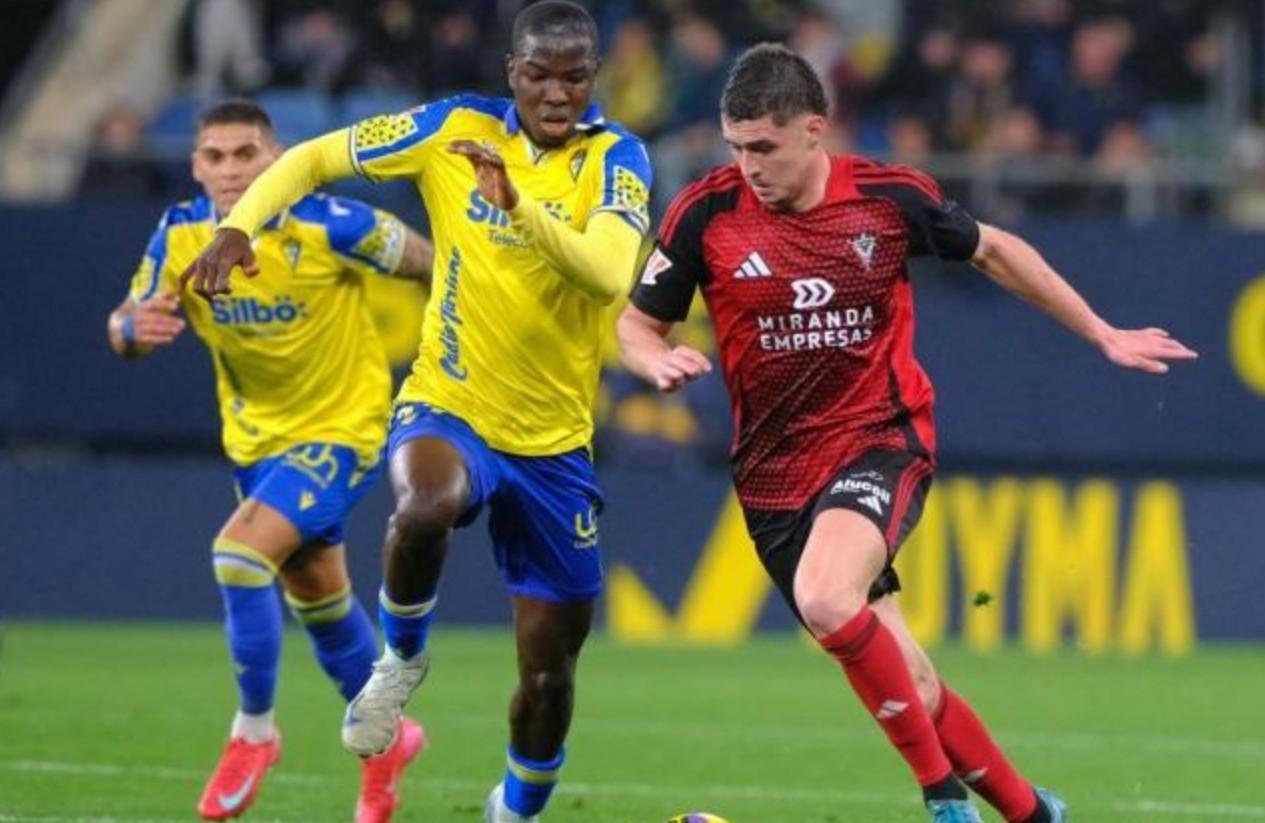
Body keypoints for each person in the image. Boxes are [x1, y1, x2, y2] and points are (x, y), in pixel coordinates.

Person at [618, 44, 1197, 823]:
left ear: (814, 129)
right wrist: (651, 358)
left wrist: (1100, 331)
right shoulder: (705, 212)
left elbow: (994, 250)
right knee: (913, 682)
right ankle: (1034, 814)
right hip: (772, 477)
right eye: (736, 147)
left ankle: (941, 799)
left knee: (826, 597)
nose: (748, 166)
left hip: (878, 440)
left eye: (764, 147)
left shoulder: (886, 198)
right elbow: (635, 325)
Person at [178, 4, 652, 821]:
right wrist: (237, 226)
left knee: (547, 678)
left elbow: (608, 274)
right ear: (511, 73)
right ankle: (396, 663)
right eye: (539, 75)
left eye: (574, 77)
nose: (556, 93)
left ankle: (515, 807)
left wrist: (516, 206)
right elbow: (314, 159)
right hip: (448, 398)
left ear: (593, 77)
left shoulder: (617, 157)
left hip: (552, 445)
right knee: (425, 500)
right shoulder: (452, 129)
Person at [106, 99, 433, 823]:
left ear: (276, 160)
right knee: (319, 602)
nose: (230, 169)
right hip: (256, 445)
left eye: (245, 153)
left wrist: (456, 344)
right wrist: (132, 328)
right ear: (196, 167)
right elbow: (125, 322)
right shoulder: (180, 233)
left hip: (344, 430)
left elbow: (432, 264)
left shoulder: (332, 224)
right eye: (214, 156)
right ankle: (388, 743)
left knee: (238, 556)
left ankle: (254, 733)